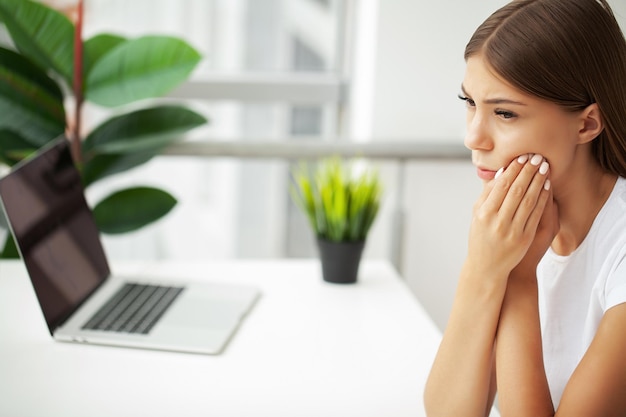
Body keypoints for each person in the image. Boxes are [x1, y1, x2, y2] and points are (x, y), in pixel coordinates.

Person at [423, 0, 626, 415]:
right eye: (469, 103)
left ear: (587, 124)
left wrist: (517, 276)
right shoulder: (510, 229)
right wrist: (482, 267)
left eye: (504, 112)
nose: (474, 137)